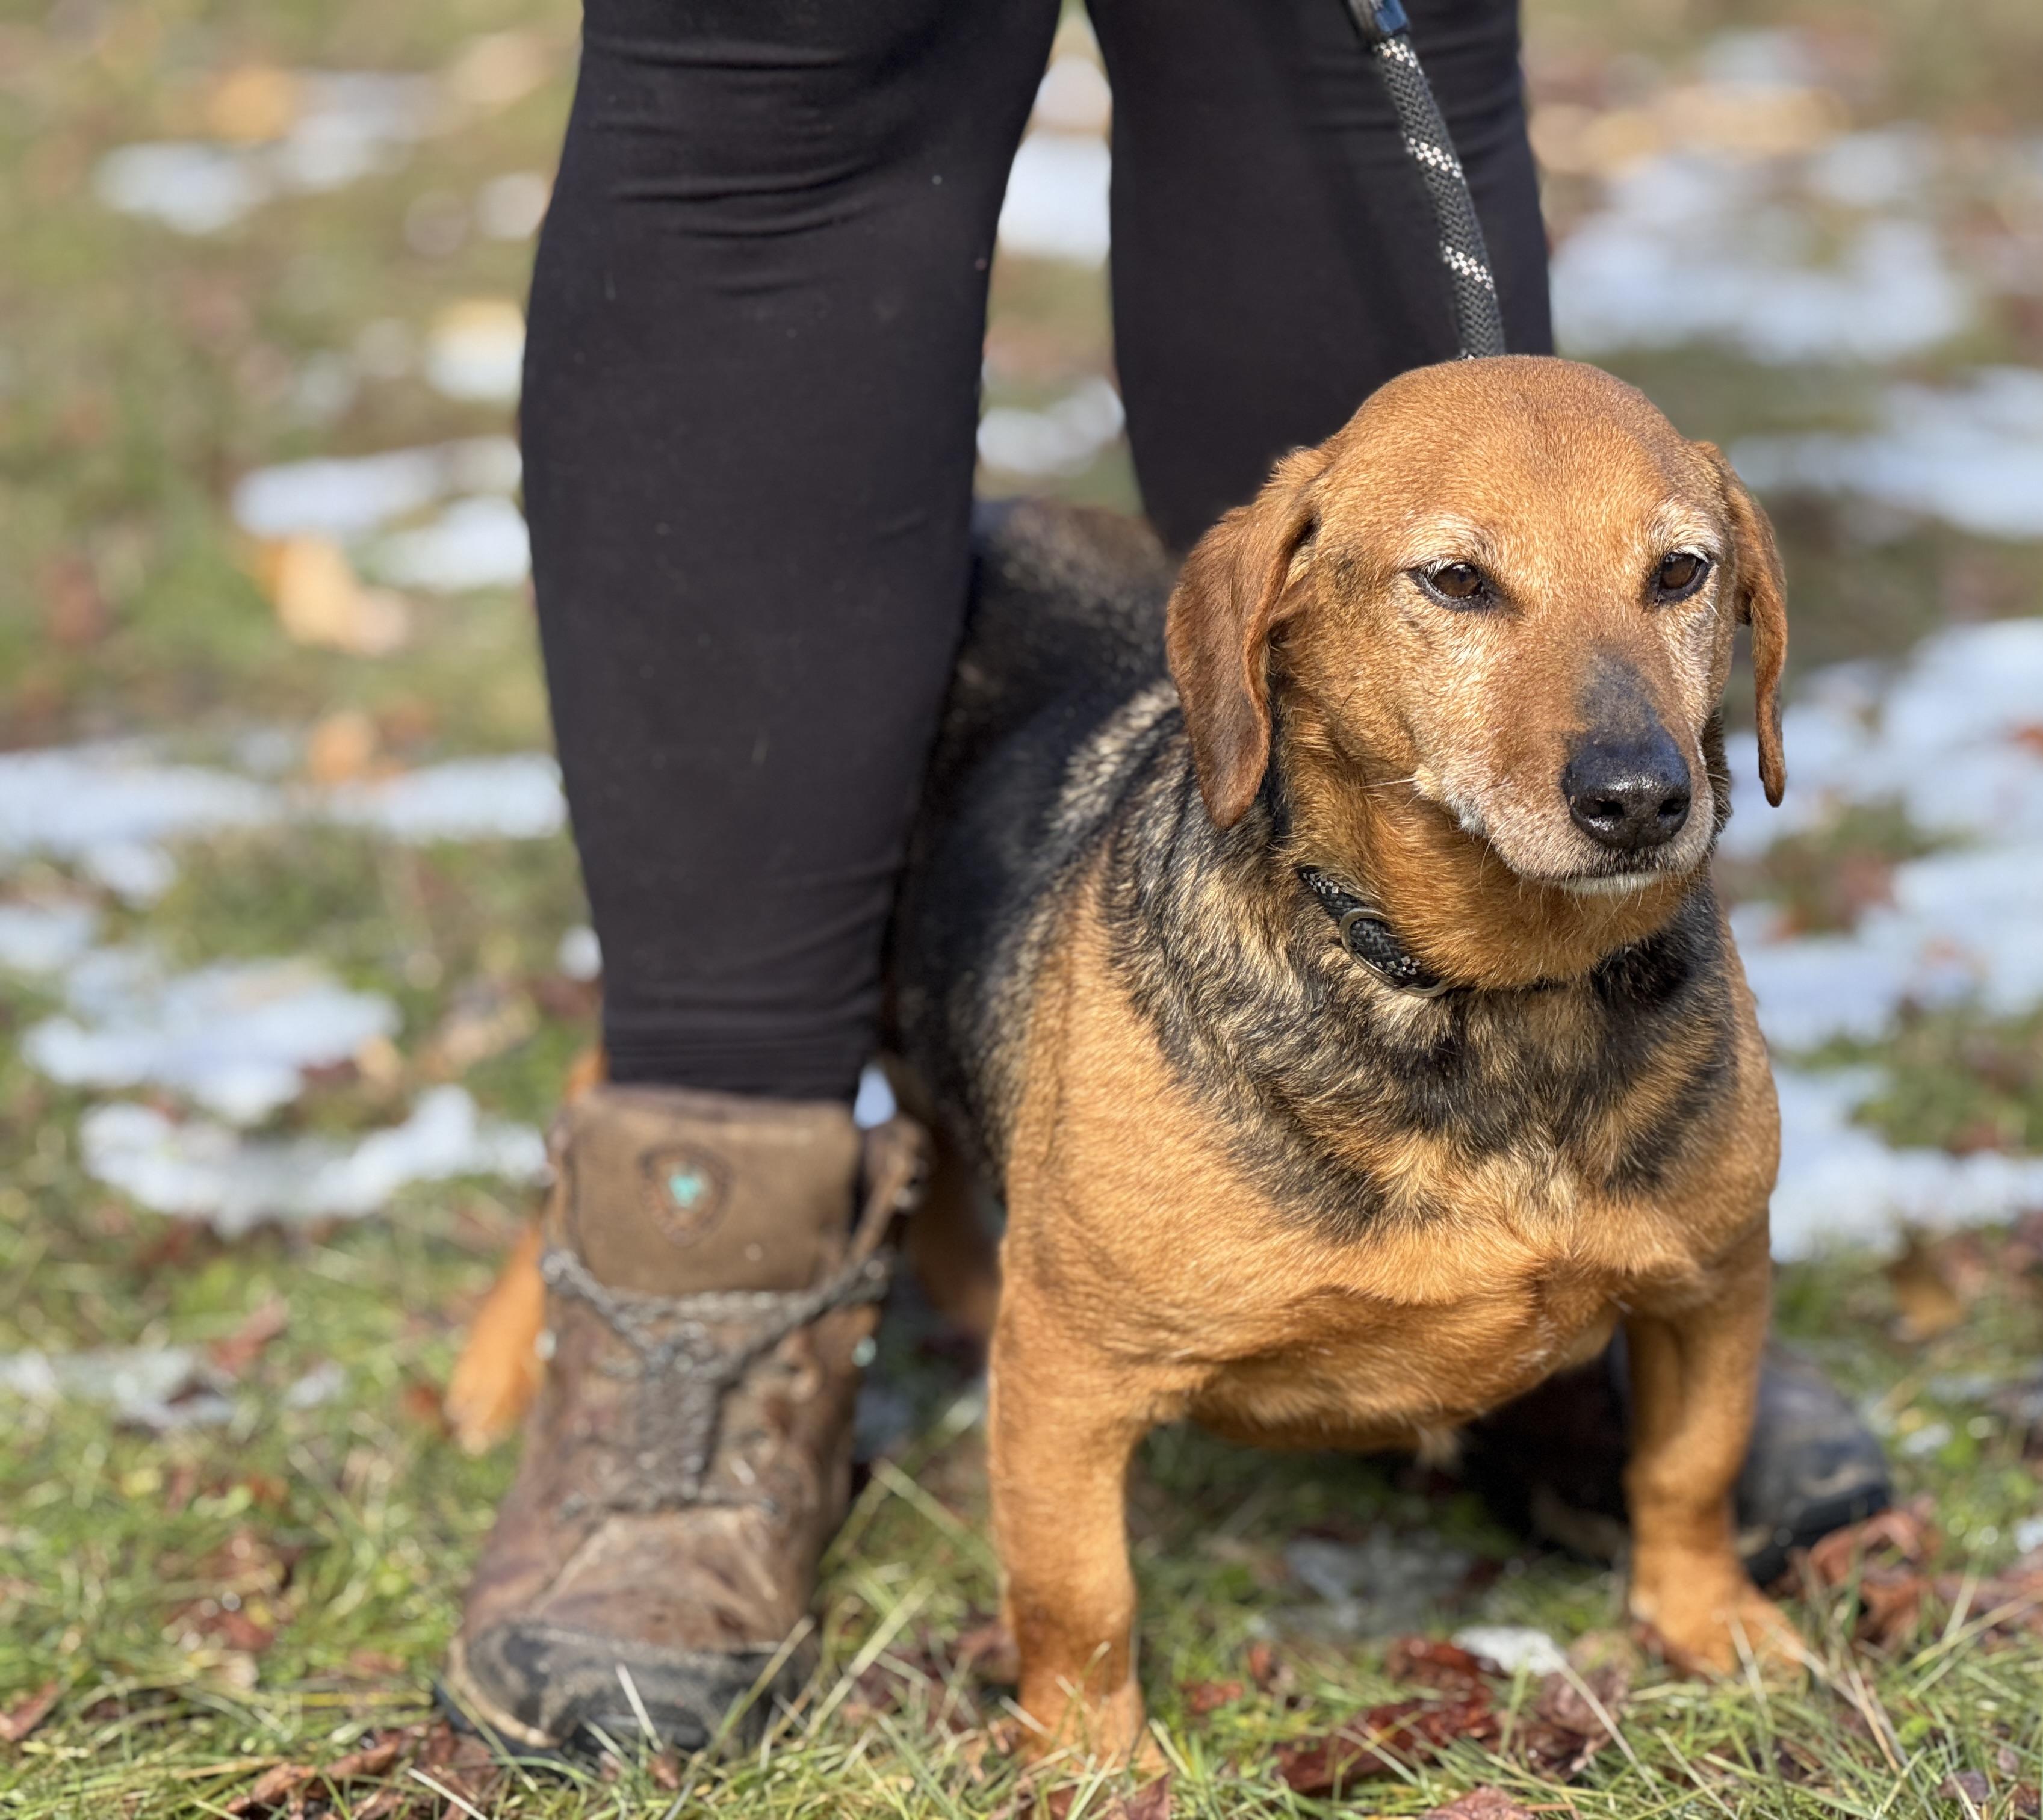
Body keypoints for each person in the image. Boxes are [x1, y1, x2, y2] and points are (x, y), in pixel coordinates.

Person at [441, 0, 1890, 1756]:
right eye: (1459, 585)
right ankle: (700, 1207)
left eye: (1674, 581)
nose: (1622, 744)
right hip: (1198, 993)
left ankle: (1553, 1366)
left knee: (1331, 31)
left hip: (1605, 1052)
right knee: (794, 42)